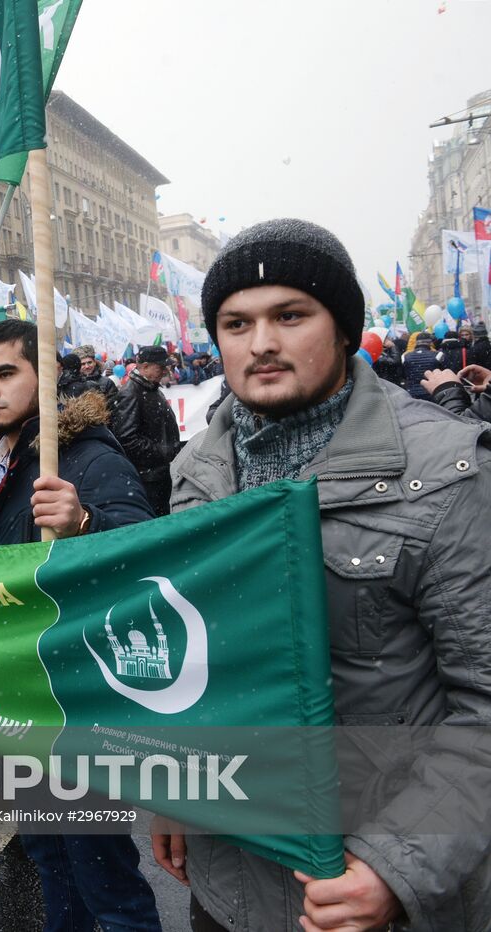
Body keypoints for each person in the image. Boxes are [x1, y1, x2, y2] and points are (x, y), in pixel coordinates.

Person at [156, 218, 491, 932]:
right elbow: (197, 670)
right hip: (229, 885)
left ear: (342, 328)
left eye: (290, 315)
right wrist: (174, 788)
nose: (262, 343)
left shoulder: (446, 471)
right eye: (236, 323)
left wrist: (396, 867)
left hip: (370, 888)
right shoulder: (194, 473)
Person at [0, 318, 161, 932]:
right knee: (50, 854)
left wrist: (85, 522)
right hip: (19, 697)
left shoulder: (88, 457)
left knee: (104, 876)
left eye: (5, 374)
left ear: (45, 377)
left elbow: (145, 553)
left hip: (78, 703)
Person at [113, 344, 180, 515]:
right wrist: (162, 452)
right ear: (144, 367)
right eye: (160, 367)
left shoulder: (151, 388)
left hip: (159, 473)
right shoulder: (131, 393)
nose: (165, 371)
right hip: (148, 478)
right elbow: (127, 438)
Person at [401, 331, 444, 401]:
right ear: (430, 343)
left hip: (412, 392)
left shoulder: (405, 356)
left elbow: (404, 375)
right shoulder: (438, 355)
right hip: (431, 392)